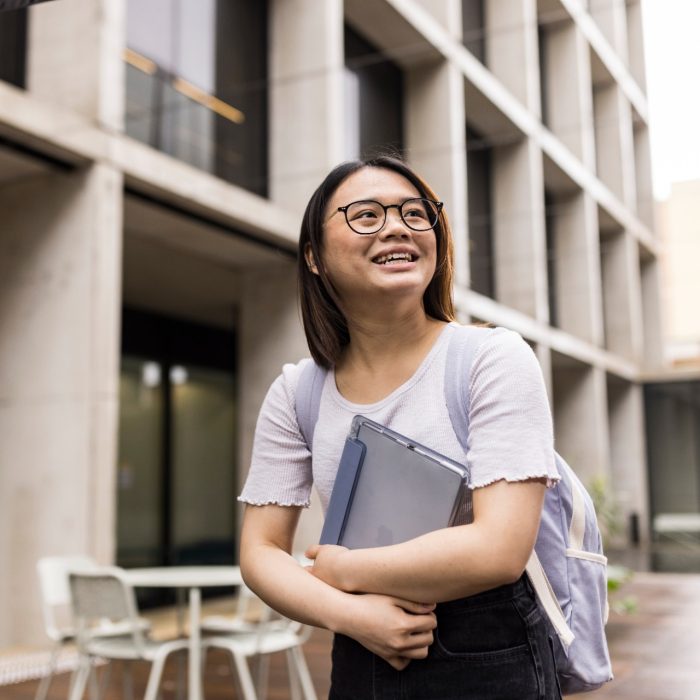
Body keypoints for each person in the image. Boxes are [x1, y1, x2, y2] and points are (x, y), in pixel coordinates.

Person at [238, 155, 562, 699]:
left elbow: (500, 549)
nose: (396, 226)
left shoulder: (491, 358)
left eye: (416, 214)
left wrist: (345, 570)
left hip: (491, 653)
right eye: (365, 215)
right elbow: (260, 551)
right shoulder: (298, 393)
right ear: (314, 257)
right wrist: (351, 615)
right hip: (360, 649)